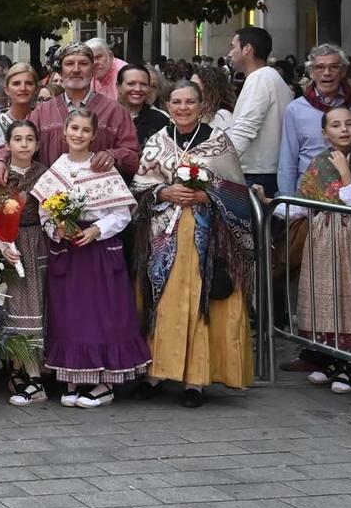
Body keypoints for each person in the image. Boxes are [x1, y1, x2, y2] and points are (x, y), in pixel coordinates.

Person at [133, 81, 254, 408]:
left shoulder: (219, 142)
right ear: (168, 106)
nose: (183, 108)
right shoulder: (157, 140)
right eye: (177, 102)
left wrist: (208, 195)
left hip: (207, 240)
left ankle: (195, 380)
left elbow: (238, 192)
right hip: (162, 239)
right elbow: (139, 187)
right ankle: (155, 373)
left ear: (201, 107)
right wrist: (163, 191)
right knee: (163, 301)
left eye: (190, 102)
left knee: (200, 301)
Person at [38, 109, 149, 407]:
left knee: (103, 315)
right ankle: (73, 378)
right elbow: (45, 213)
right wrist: (57, 228)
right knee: (69, 315)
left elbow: (122, 213)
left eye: (85, 130)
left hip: (99, 252)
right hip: (69, 252)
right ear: (64, 131)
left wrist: (97, 230)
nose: (79, 134)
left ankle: (104, 383)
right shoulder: (57, 170)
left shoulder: (102, 168)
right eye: (74, 128)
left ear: (94, 135)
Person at [294, 105, 351, 392]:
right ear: (324, 132)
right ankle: (329, 360)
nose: (344, 129)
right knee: (326, 298)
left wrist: (345, 170)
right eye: (336, 125)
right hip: (323, 236)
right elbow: (304, 201)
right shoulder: (319, 161)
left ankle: (349, 365)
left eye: (349, 123)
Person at [0, 44, 139, 185]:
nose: (76, 69)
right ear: (60, 71)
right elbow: (17, 139)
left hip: (98, 197)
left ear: (92, 70)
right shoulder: (42, 112)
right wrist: (0, 161)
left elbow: (133, 156)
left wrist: (113, 155)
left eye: (83, 63)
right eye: (69, 64)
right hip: (51, 198)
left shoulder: (115, 111)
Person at [0, 120, 49, 405]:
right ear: (8, 144)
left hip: (37, 243)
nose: (24, 144)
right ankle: (19, 369)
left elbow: (53, 210)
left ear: (37, 145)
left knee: (34, 308)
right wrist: (2, 243)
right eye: (18, 139)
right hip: (10, 246)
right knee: (14, 308)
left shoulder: (45, 174)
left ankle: (35, 377)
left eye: (29, 139)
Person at [224, 27, 291, 196]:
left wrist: (219, 165)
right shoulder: (272, 77)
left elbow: (245, 129)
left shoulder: (259, 78)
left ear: (247, 49)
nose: (230, 54)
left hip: (258, 174)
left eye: (233, 46)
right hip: (267, 171)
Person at [278, 44, 351, 195]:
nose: (327, 73)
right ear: (311, 72)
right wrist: (287, 201)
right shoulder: (296, 109)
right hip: (308, 194)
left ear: (343, 71)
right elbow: (288, 160)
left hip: (349, 191)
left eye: (334, 67)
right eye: (320, 67)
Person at [119, 66, 169, 147]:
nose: (138, 89)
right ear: (118, 86)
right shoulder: (107, 115)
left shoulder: (162, 120)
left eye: (143, 84)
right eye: (131, 83)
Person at [0, 63, 40, 133]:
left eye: (29, 83)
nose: (23, 88)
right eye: (16, 84)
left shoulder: (45, 122)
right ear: (7, 90)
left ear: (36, 89)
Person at [85, 37, 120, 101]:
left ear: (110, 56)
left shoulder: (124, 73)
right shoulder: (90, 73)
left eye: (98, 57)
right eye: (90, 59)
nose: (94, 62)